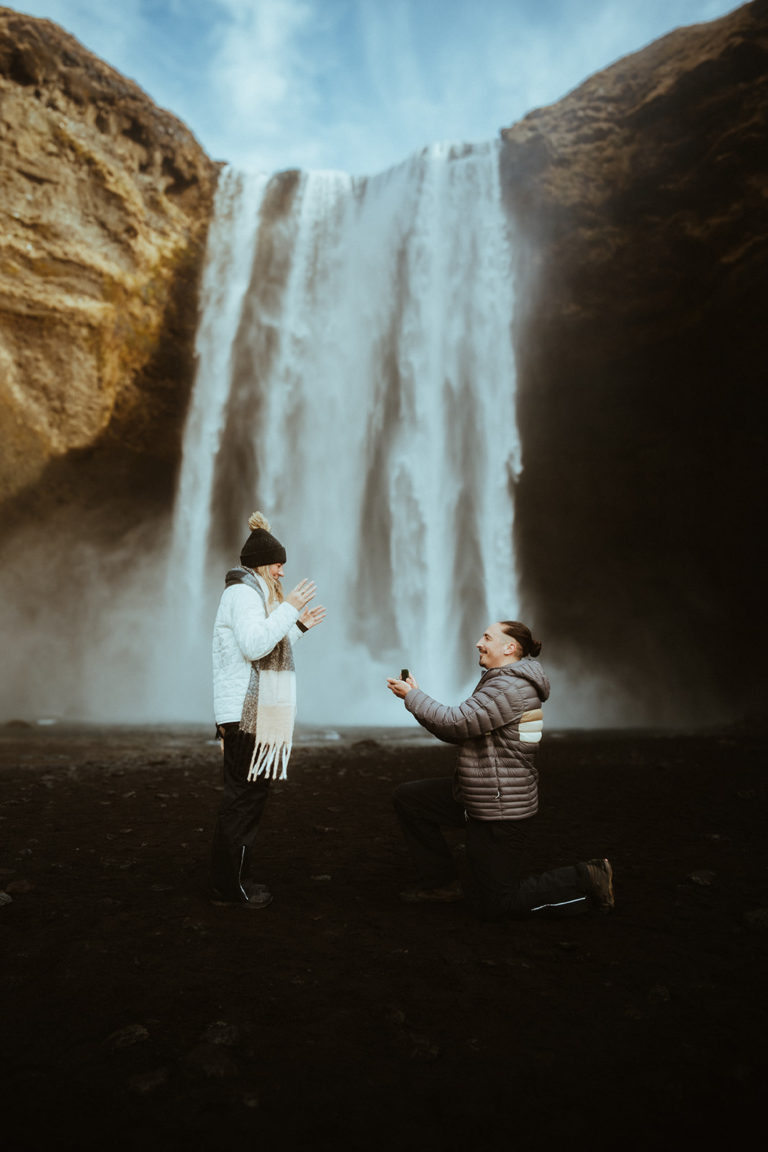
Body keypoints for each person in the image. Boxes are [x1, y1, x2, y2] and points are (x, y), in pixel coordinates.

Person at [386, 621, 614, 920]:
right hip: (481, 792)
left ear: (510, 648)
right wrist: (415, 696)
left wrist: (412, 697)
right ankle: (440, 884)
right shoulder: (504, 681)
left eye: (487, 637)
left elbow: (456, 725)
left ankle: (587, 876)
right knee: (410, 798)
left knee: (499, 903)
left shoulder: (509, 686)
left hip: (500, 806)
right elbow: (463, 725)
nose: (479, 643)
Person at [210, 510, 326, 908]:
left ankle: (226, 881)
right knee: (243, 799)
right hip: (246, 713)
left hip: (249, 709)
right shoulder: (243, 594)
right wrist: (290, 607)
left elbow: (264, 647)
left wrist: (298, 627)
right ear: (263, 563)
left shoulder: (252, 594)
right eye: (279, 564)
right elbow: (255, 646)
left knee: (246, 797)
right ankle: (232, 887)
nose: (282, 572)